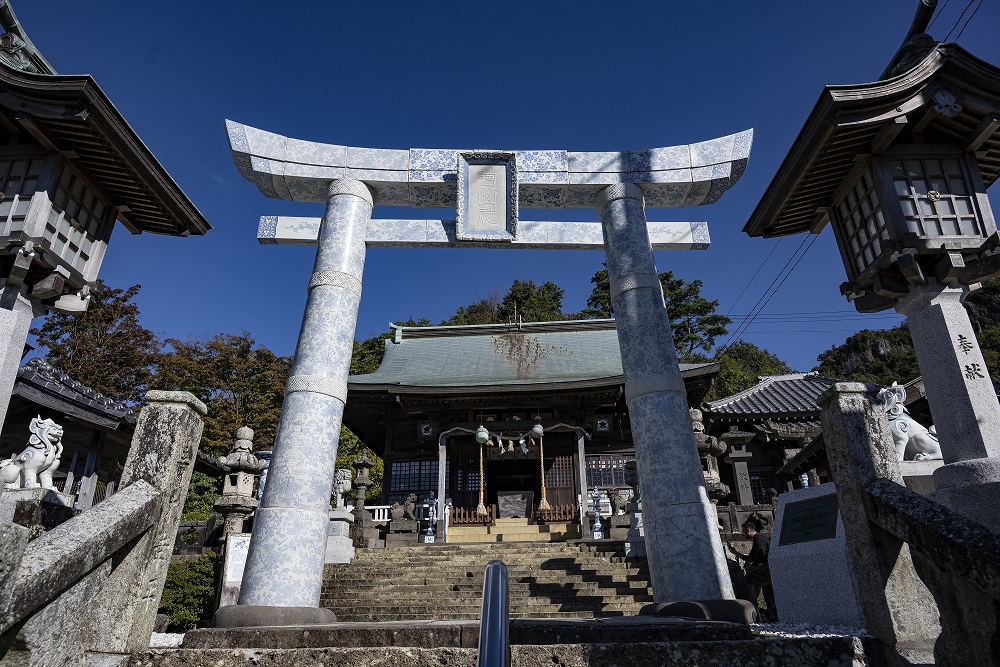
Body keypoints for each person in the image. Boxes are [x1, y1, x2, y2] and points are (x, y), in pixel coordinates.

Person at [727, 515, 775, 620]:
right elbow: (751, 558)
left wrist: (751, 568)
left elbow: (760, 556)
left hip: (769, 567)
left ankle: (751, 606)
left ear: (748, 530)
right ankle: (772, 613)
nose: (742, 533)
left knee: (751, 580)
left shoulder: (759, 539)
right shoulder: (756, 541)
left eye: (743, 531)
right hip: (769, 569)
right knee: (768, 591)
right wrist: (736, 552)